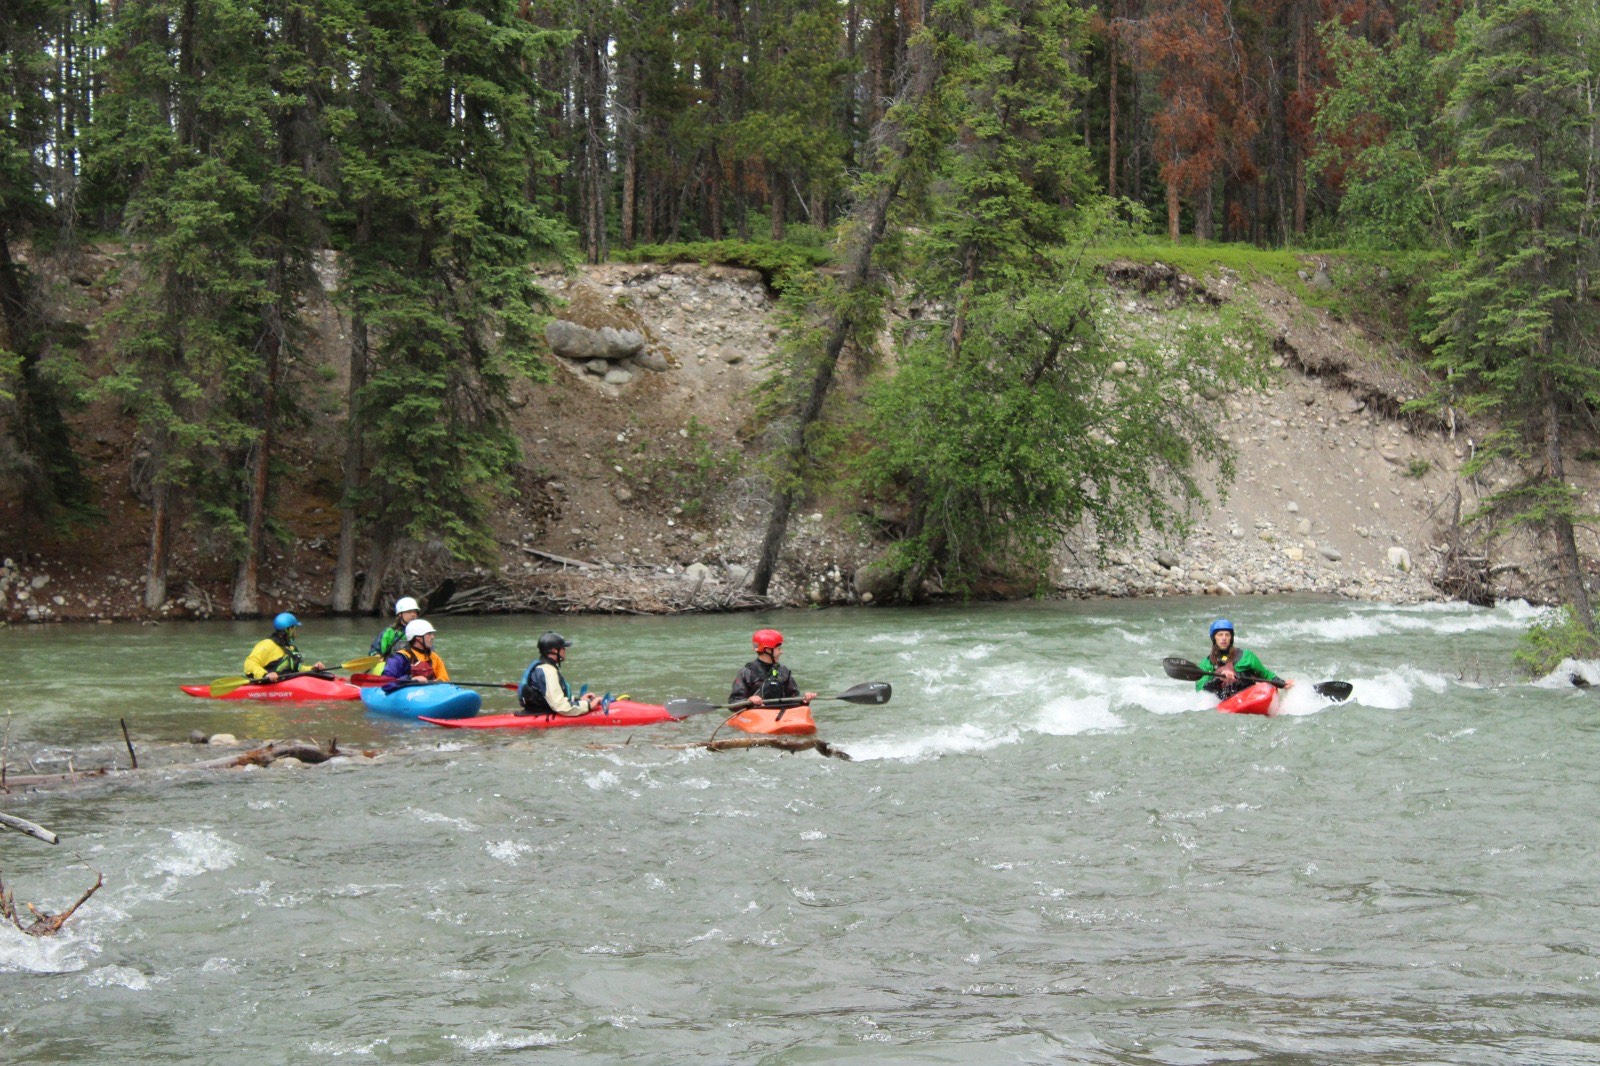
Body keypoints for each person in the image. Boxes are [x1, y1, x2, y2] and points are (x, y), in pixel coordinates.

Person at [1198, 618, 1294, 699]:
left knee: (1243, 675)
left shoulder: (1246, 656)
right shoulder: (1206, 663)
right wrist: (1219, 678)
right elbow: (1200, 689)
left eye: (1227, 635)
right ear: (1214, 638)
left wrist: (1282, 683)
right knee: (1212, 683)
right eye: (1220, 635)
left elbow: (1265, 674)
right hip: (1224, 700)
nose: (1224, 638)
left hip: (1248, 696)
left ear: (1231, 638)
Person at [517, 631, 599, 716]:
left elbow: (552, 698)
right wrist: (589, 705)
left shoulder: (544, 667)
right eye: (563, 648)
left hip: (539, 709)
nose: (565, 650)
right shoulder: (548, 671)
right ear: (554, 651)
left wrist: (579, 700)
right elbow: (561, 707)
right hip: (542, 714)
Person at [730, 628, 816, 708]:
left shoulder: (783, 670)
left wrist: (804, 700)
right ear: (768, 650)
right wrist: (749, 700)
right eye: (778, 648)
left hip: (780, 715)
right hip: (757, 714)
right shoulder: (746, 673)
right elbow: (733, 702)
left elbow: (794, 698)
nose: (781, 652)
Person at [243, 612, 326, 682]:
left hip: (287, 683)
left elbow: (297, 669)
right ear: (288, 630)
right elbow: (249, 664)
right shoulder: (267, 644)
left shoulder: (290, 648)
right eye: (294, 629)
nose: (295, 633)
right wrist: (265, 675)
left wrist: (313, 669)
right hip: (269, 686)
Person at [381, 619, 451, 683]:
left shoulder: (434, 657)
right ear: (418, 637)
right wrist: (411, 680)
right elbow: (387, 682)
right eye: (429, 634)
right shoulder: (399, 658)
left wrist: (437, 682)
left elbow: (444, 680)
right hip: (408, 693)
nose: (433, 637)